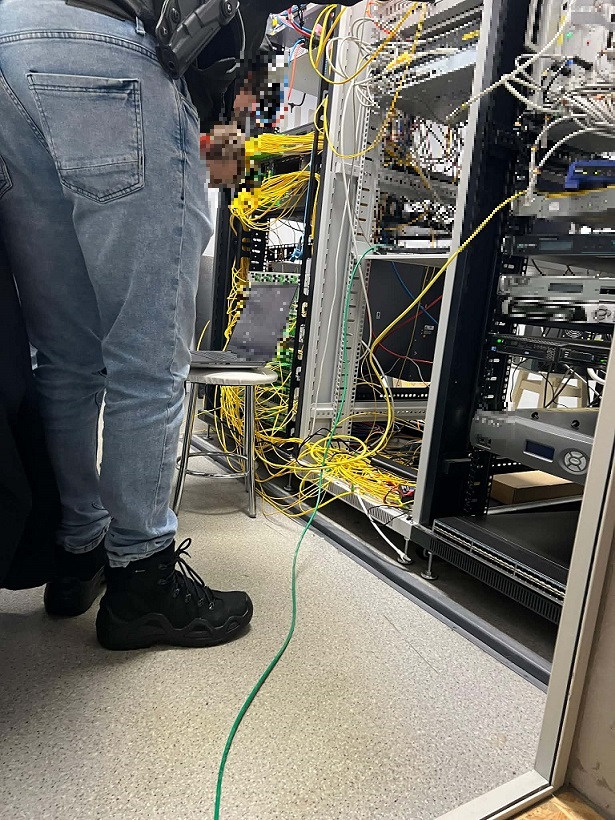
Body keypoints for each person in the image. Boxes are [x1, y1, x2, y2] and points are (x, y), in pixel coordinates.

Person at [0, 0, 357, 651]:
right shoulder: (250, 48)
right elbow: (236, 63)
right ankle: (142, 579)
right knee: (148, 357)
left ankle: (78, 554)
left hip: (9, 44)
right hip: (106, 46)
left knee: (65, 358)